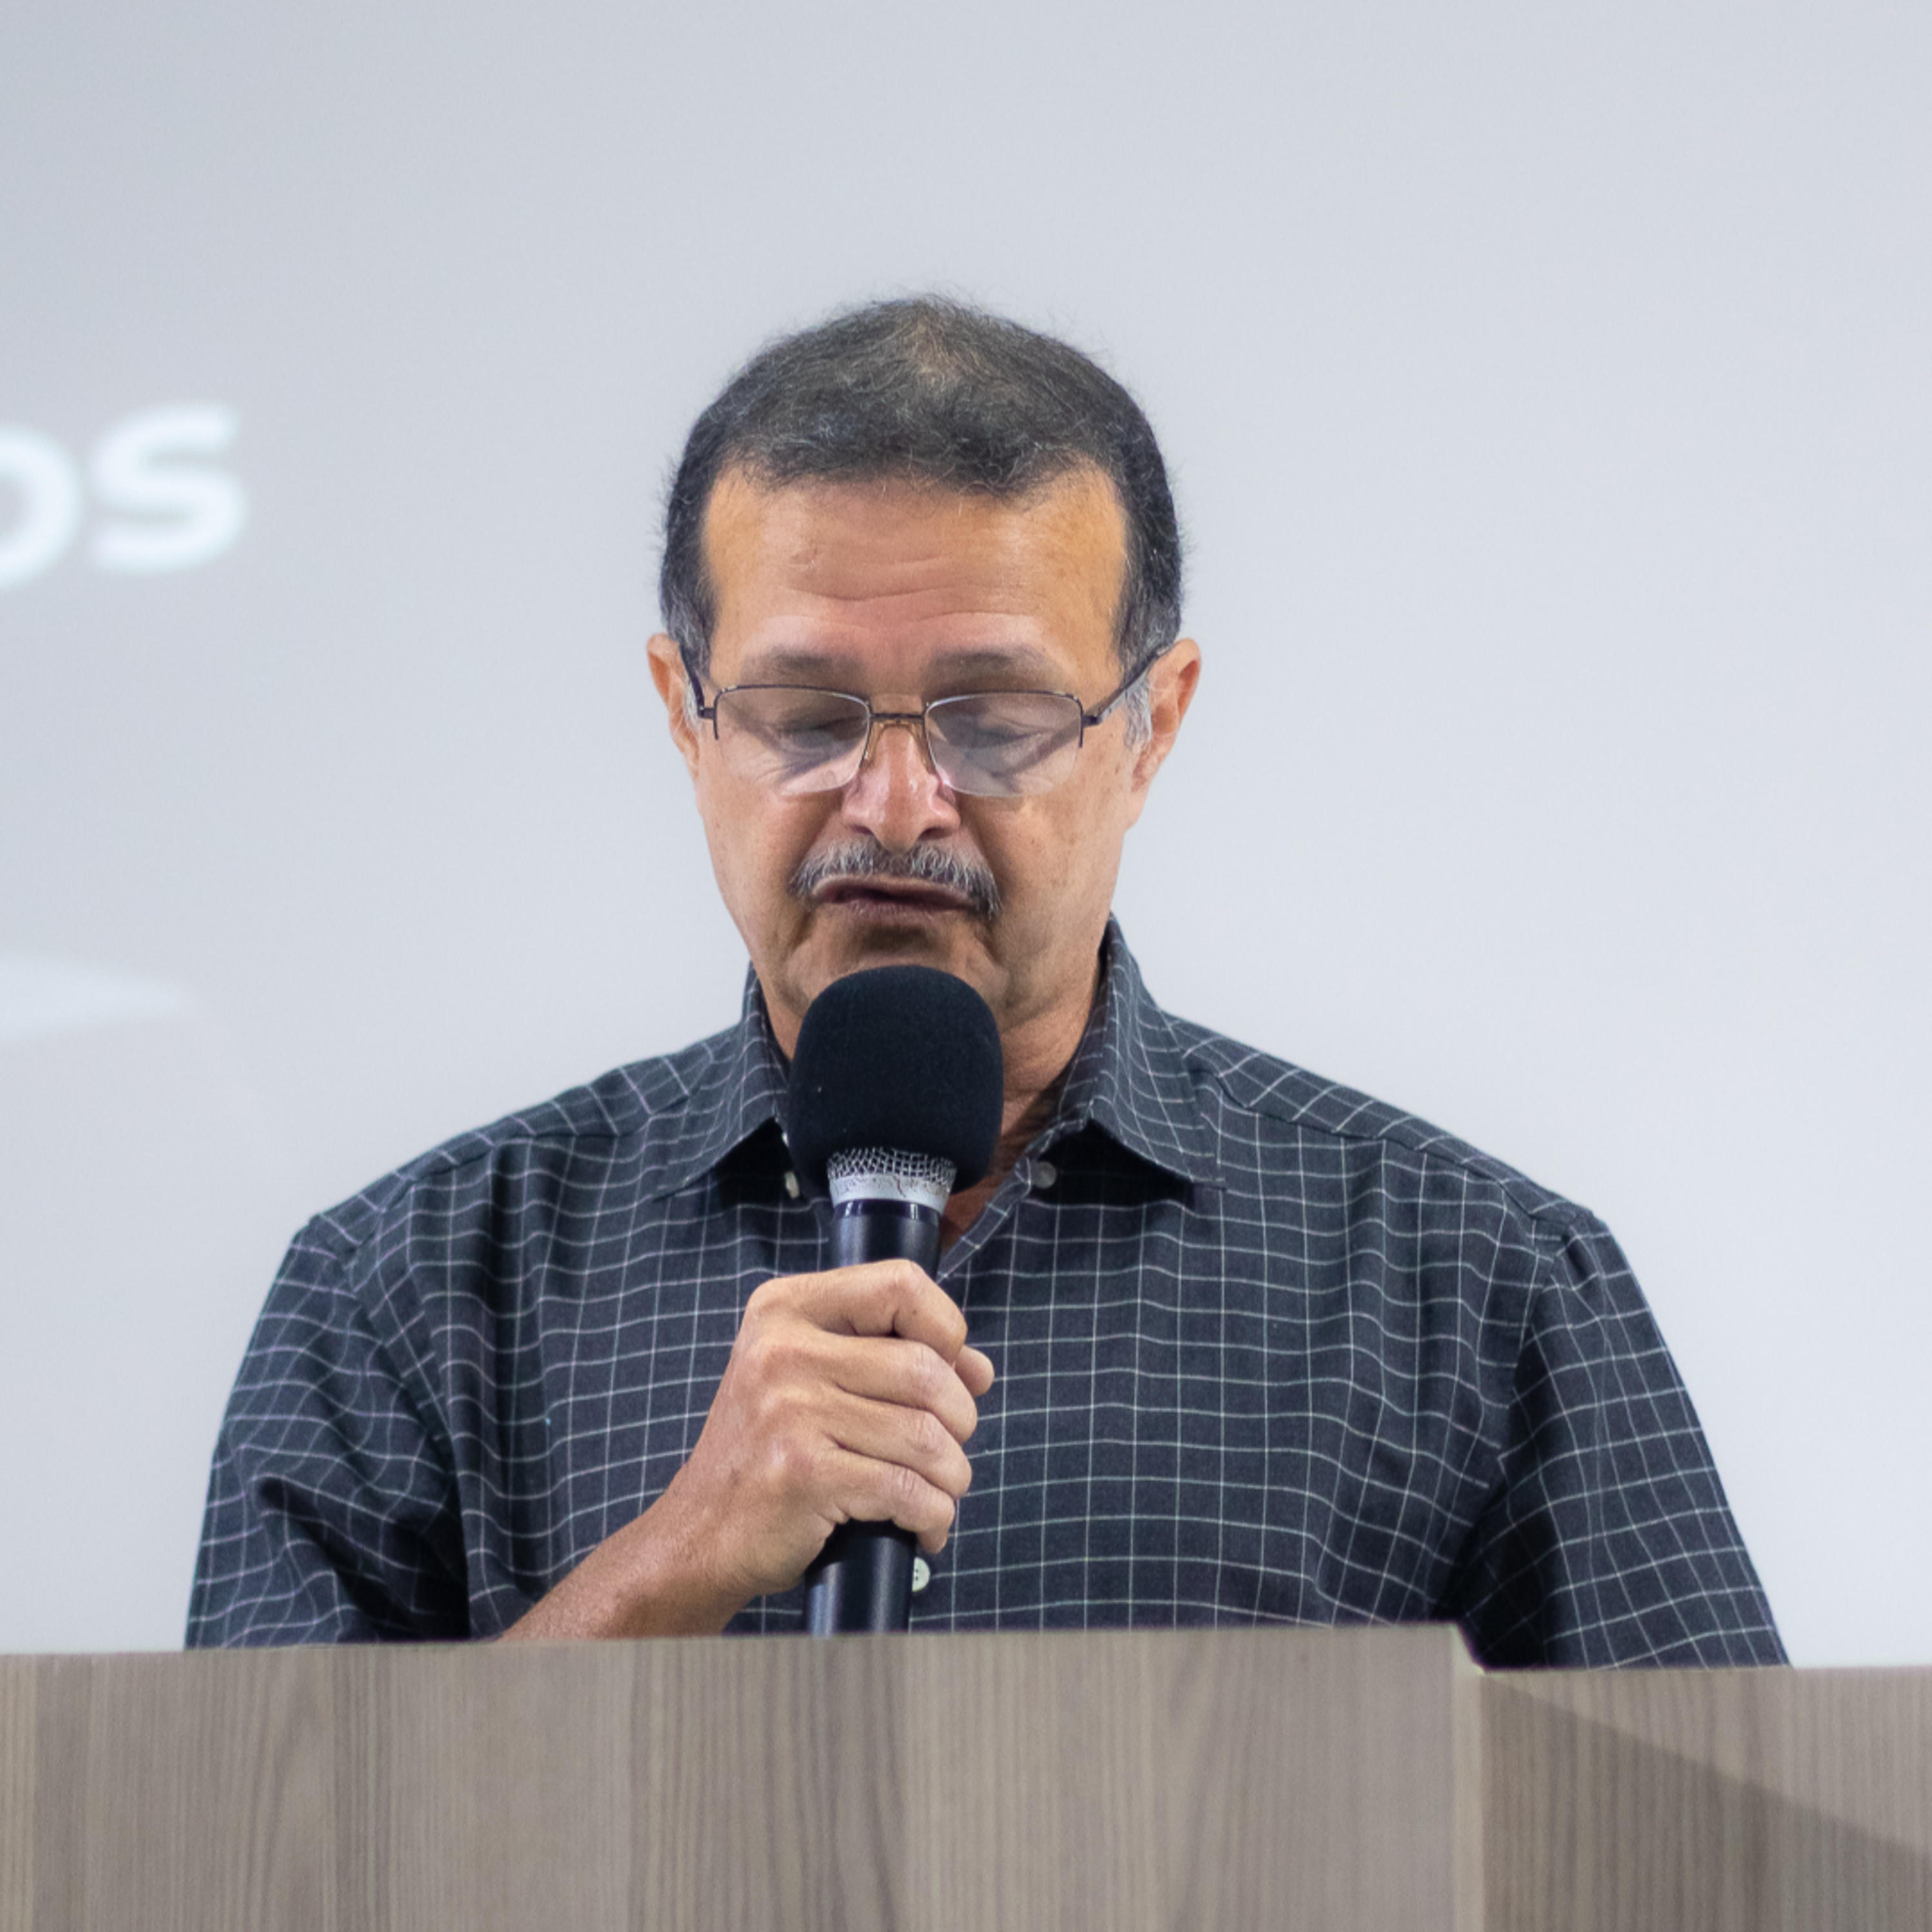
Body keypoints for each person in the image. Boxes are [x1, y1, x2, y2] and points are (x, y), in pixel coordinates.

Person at [188, 298, 1783, 1665]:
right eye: (807, 716)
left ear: (1152, 727)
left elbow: (1719, 1862)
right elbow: (256, 1870)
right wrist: (673, 1563)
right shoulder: (404, 1292)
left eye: (994, 719)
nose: (895, 805)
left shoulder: (1478, 1287)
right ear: (686, 715)